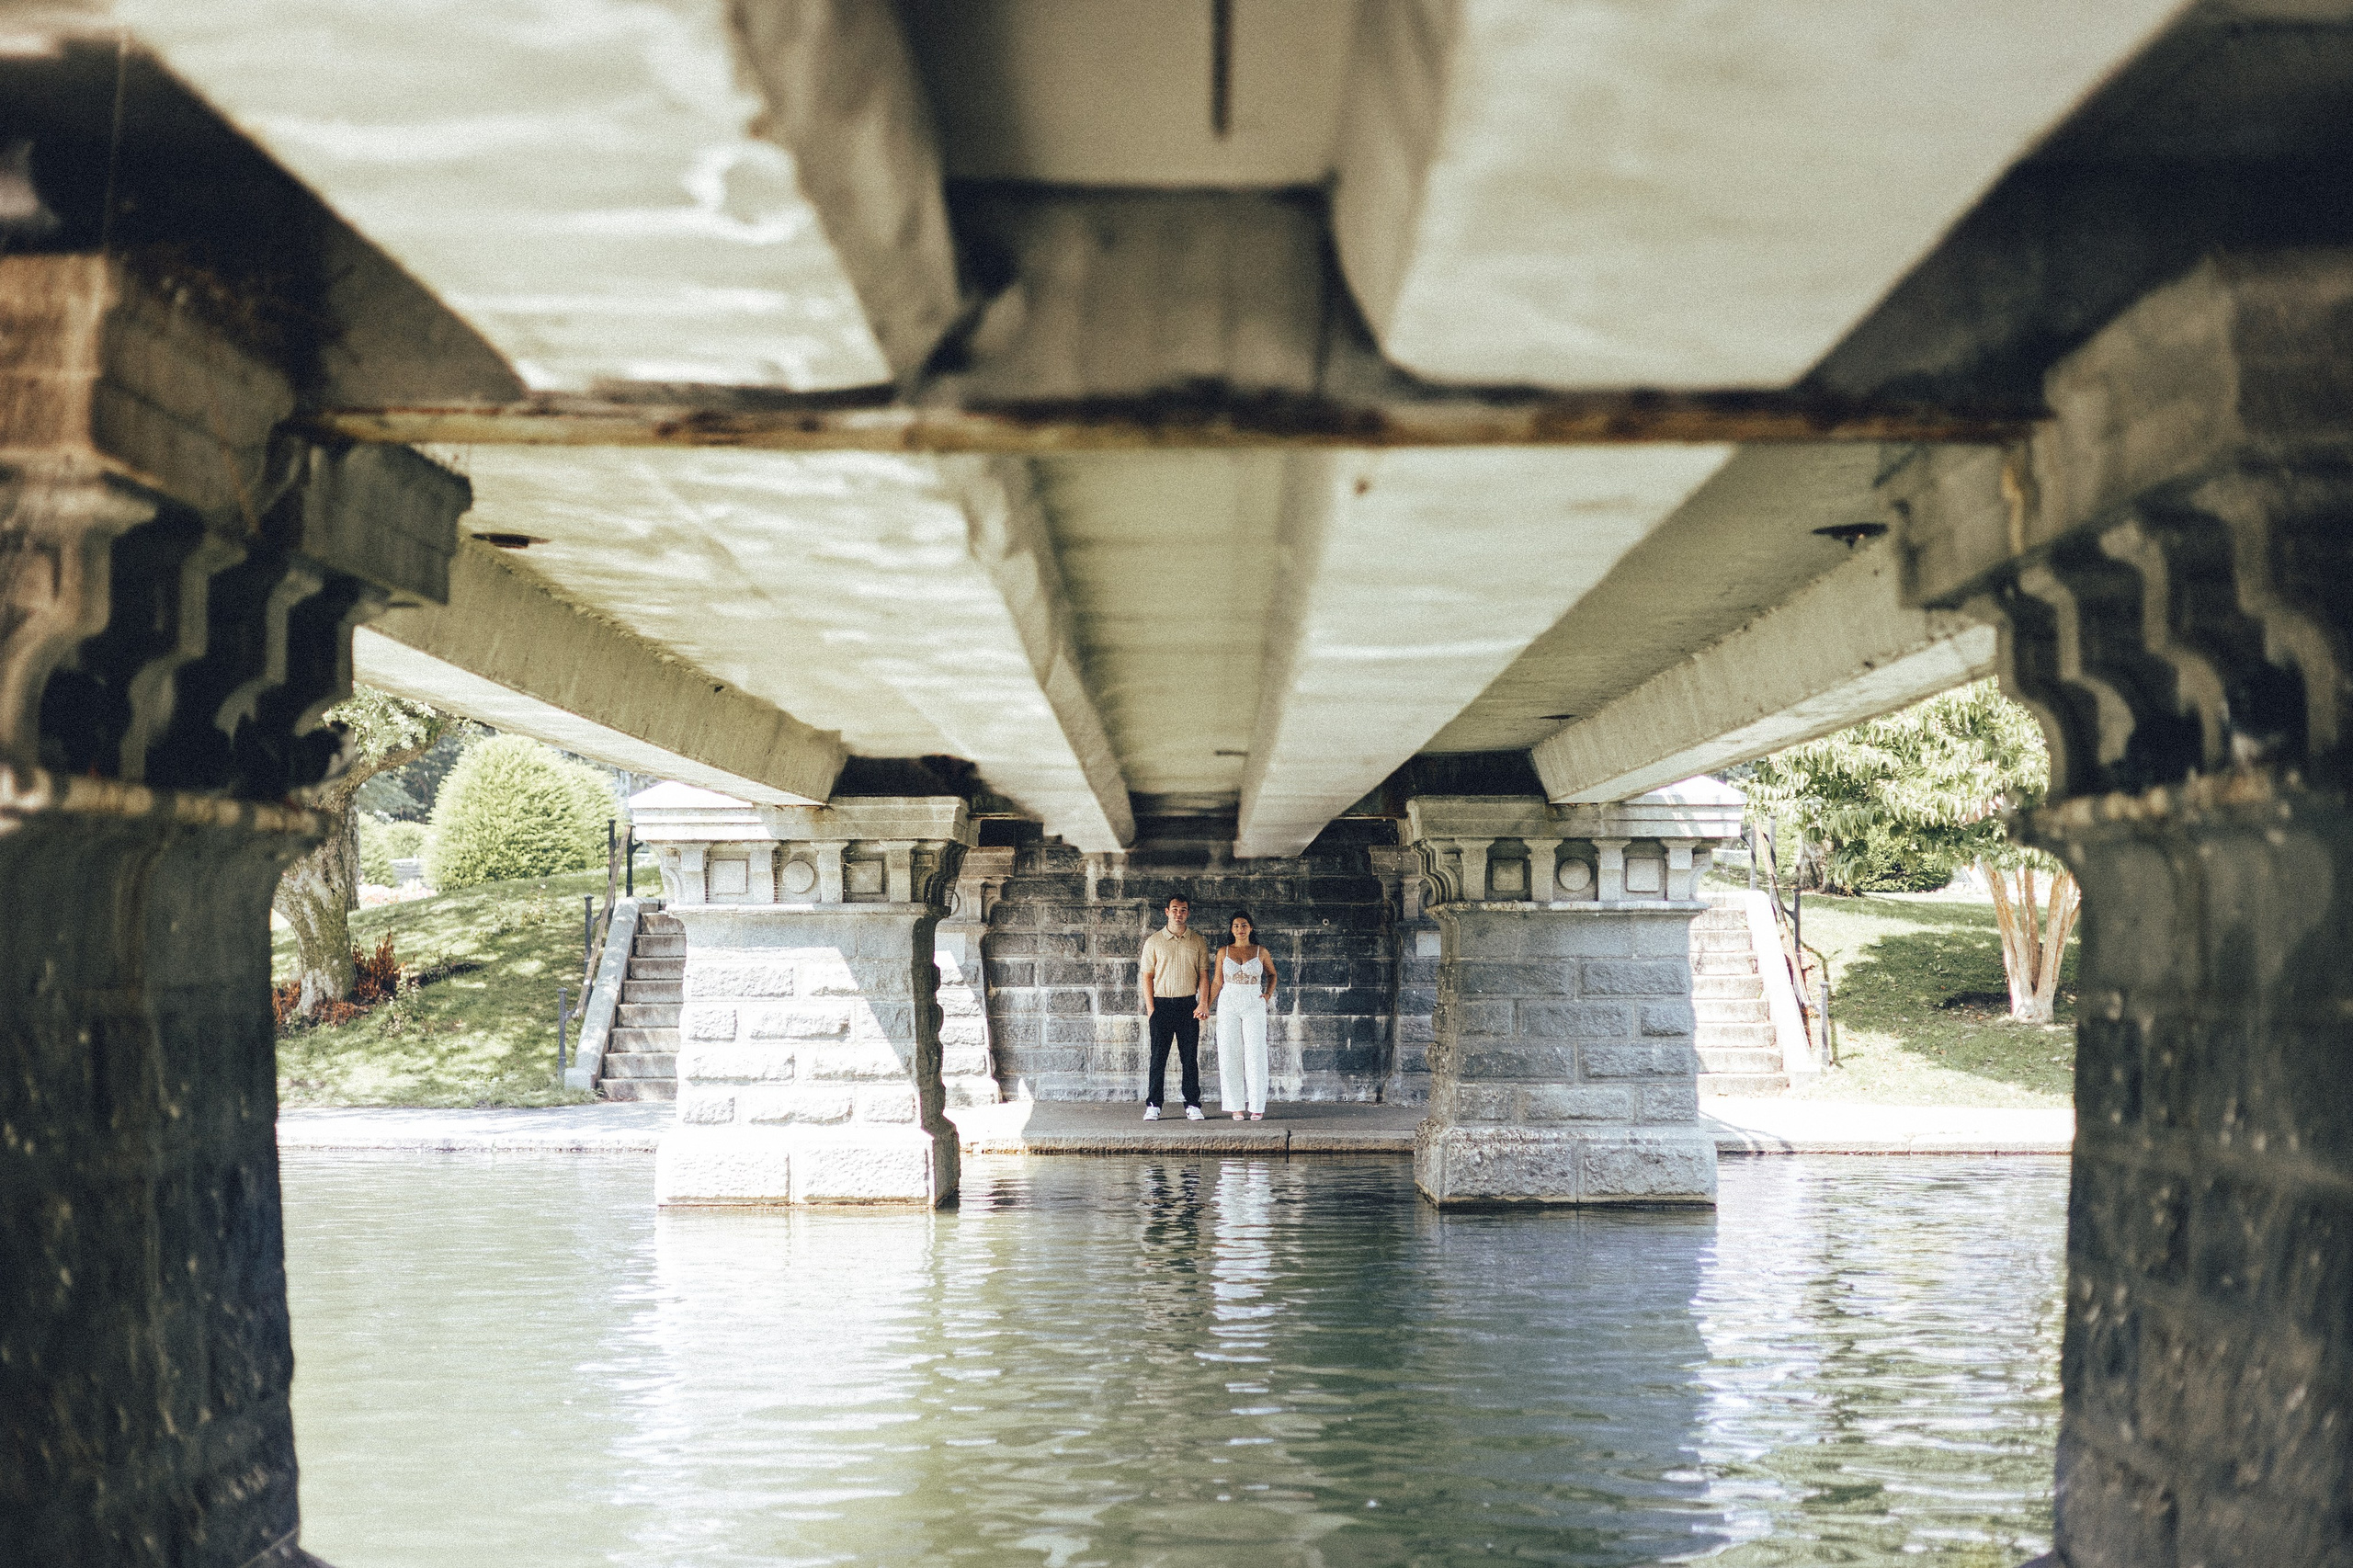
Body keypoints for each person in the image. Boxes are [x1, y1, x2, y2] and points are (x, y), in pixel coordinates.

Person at [1137, 892, 1210, 1120]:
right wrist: (1151, 1009)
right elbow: (1147, 976)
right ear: (1167, 912)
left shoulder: (1197, 941)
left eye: (1183, 910)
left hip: (1188, 1005)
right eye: (1175, 909)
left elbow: (1204, 976)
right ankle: (1154, 1105)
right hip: (1161, 1005)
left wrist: (1203, 1002)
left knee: (1189, 1057)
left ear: (1188, 913)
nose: (1179, 913)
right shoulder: (1154, 941)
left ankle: (1192, 1104)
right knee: (1158, 1057)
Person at [1210, 910, 1277, 1120]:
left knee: (1256, 1053)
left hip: (1253, 1002)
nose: (1240, 929)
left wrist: (1267, 995)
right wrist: (1205, 1005)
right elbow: (1217, 982)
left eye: (1244, 925)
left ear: (1251, 928)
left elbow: (1272, 974)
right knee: (1229, 1052)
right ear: (1232, 929)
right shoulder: (1224, 952)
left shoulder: (1260, 951)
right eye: (1236, 925)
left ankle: (1257, 1105)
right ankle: (1235, 1105)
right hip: (1228, 1002)